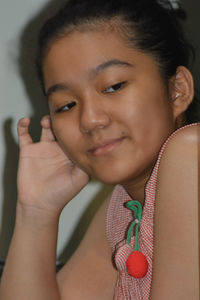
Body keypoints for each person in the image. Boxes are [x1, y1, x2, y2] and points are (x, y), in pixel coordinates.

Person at [0, 0, 199, 299]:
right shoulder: (122, 208)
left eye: (114, 86)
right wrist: (36, 211)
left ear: (177, 89)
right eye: (66, 105)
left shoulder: (191, 153)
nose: (90, 119)